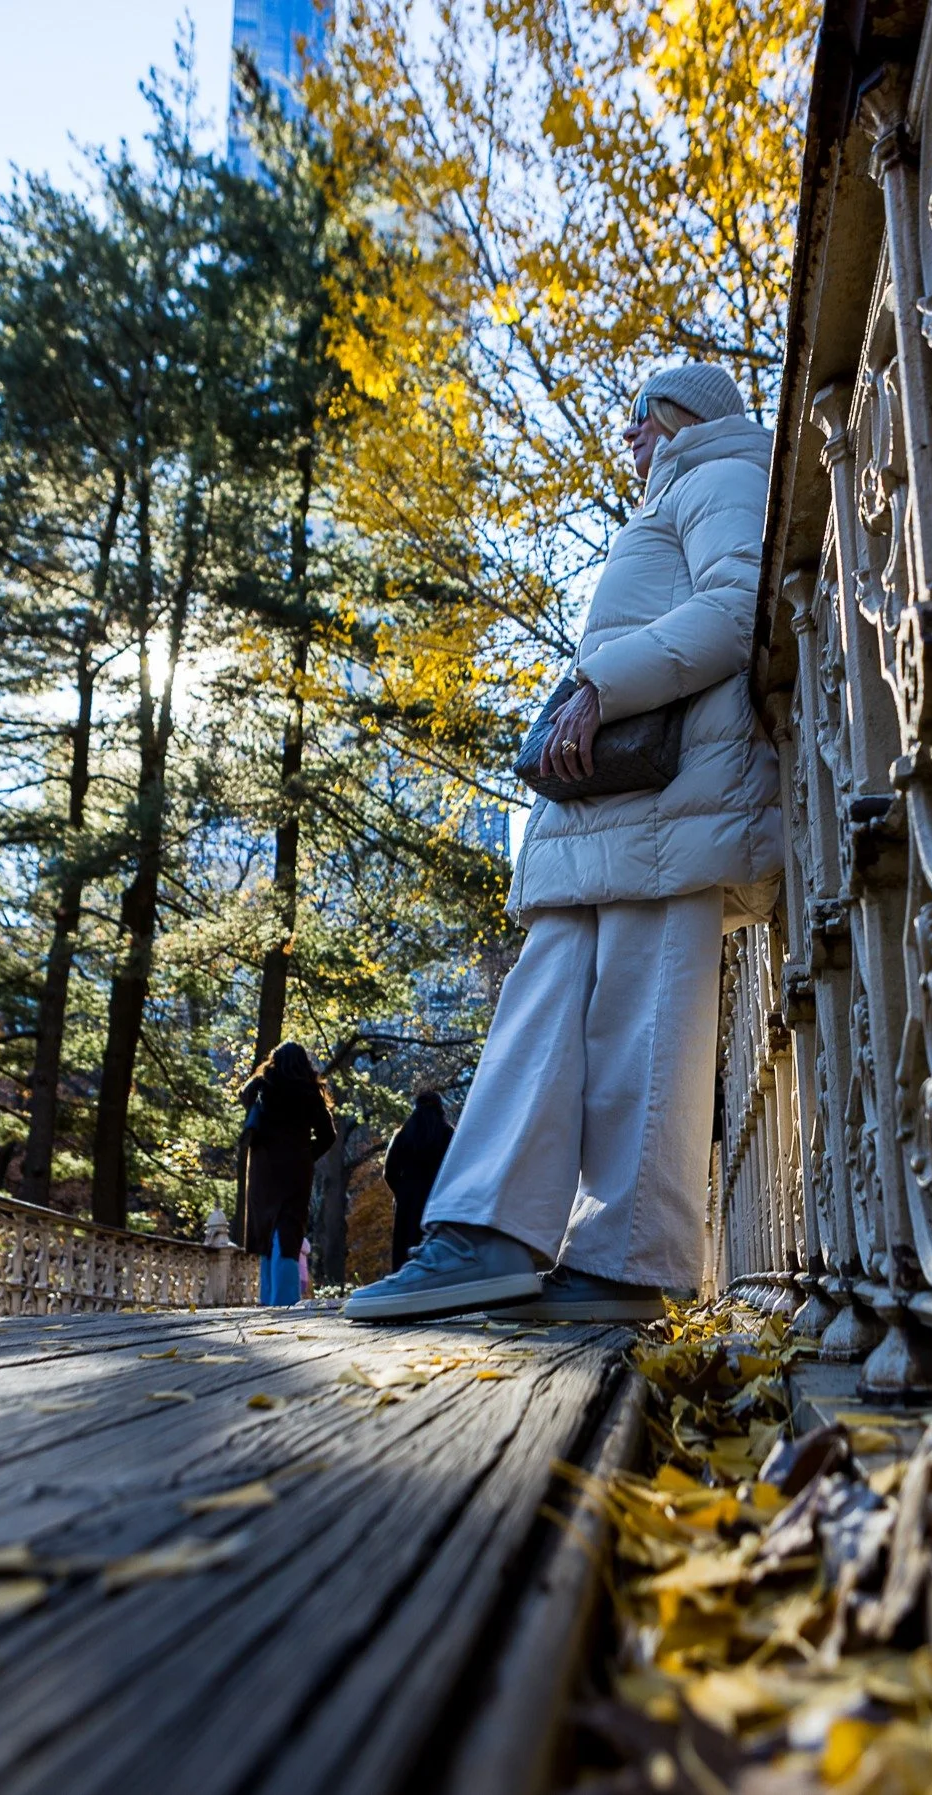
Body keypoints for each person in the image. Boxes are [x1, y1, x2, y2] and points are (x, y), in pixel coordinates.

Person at [345, 362, 783, 1325]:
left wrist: (600, 685)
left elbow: (739, 605)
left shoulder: (724, 468)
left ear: (680, 415)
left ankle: (632, 1264)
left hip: (677, 794)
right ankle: (486, 1232)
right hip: (624, 800)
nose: (625, 437)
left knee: (645, 1004)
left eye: (636, 416)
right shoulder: (681, 489)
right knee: (548, 993)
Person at [238, 1041, 337, 1307]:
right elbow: (328, 1135)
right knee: (288, 1228)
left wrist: (262, 1074)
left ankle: (268, 1298)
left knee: (266, 1230)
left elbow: (243, 1094)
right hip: (296, 1170)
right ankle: (286, 1300)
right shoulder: (309, 1093)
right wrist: (307, 1155)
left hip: (263, 1170)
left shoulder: (263, 1087)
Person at [385, 1090, 455, 1270]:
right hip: (439, 1203)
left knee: (406, 1255)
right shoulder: (449, 1134)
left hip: (408, 1204)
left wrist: (401, 1193)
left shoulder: (404, 1134)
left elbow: (390, 1171)